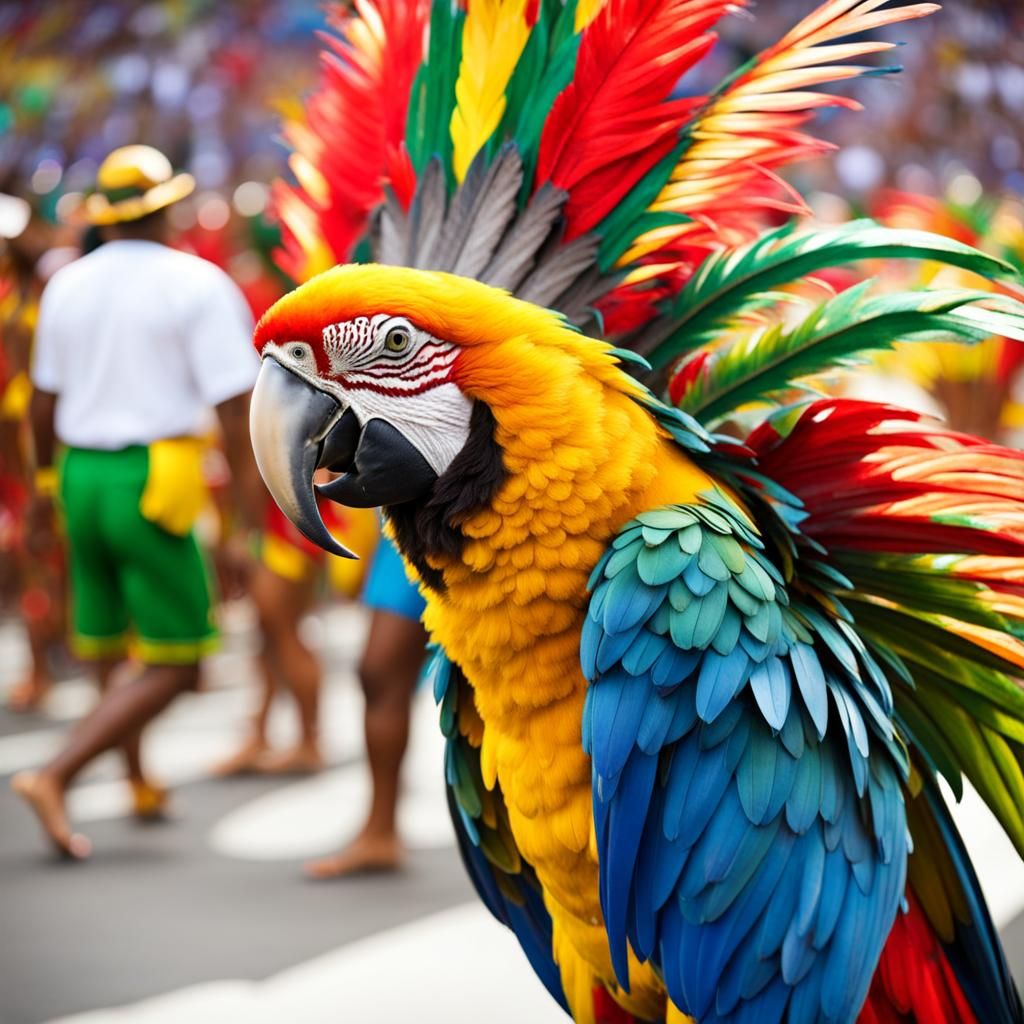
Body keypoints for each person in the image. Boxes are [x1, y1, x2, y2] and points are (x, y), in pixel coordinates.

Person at [11, 145, 264, 857]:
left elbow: (42, 399)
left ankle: (137, 777)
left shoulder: (65, 281)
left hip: (80, 476)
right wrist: (246, 527)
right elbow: (235, 411)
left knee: (105, 641)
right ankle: (57, 774)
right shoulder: (196, 282)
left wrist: (41, 491)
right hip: (156, 477)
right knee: (180, 660)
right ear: (169, 208)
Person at [213, 493, 378, 776]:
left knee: (284, 631)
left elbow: (254, 470)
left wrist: (244, 531)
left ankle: (308, 741)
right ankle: (262, 734)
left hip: (285, 522)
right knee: (270, 634)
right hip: (284, 517)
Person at [304, 533, 429, 878]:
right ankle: (381, 830)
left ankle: (381, 830)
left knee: (381, 669)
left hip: (455, 512)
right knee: (380, 673)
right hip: (404, 525)